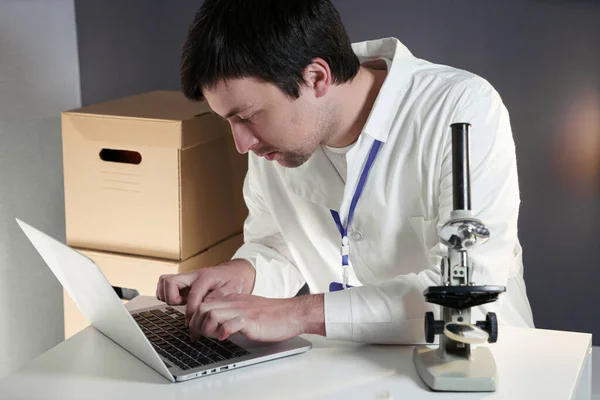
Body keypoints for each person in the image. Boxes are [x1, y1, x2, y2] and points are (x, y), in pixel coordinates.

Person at [156, 0, 535, 344]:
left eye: (249, 116)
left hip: (479, 361)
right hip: (354, 365)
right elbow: (279, 244)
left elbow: (469, 292)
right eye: (230, 121)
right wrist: (242, 273)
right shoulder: (271, 144)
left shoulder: (461, 109)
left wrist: (298, 314)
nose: (242, 143)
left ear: (317, 77)